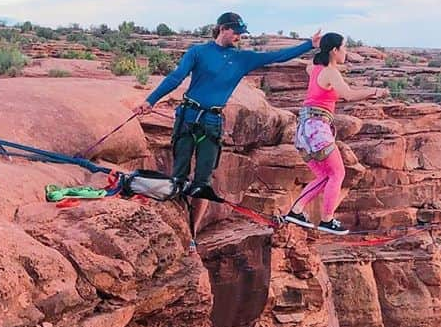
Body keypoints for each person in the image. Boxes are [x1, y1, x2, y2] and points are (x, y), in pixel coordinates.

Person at [134, 12, 321, 193]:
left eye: (241, 33)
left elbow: (278, 56)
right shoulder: (197, 52)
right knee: (178, 176)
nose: (239, 36)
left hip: (212, 121)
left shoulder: (243, 58)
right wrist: (150, 101)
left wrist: (309, 45)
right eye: (236, 32)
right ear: (223, 29)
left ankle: (198, 194)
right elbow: (175, 78)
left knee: (202, 183)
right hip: (187, 116)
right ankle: (174, 192)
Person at [290, 32, 383, 234]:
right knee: (337, 173)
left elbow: (311, 66)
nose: (346, 52)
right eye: (344, 47)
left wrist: (317, 47)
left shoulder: (313, 68)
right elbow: (348, 95)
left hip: (305, 129)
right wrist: (375, 92)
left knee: (325, 175)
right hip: (317, 129)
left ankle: (296, 211)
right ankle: (326, 219)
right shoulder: (331, 72)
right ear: (334, 50)